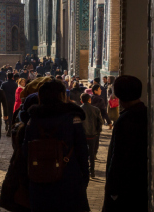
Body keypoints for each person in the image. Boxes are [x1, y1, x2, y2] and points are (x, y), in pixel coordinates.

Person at [23, 79, 89, 212]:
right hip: (68, 176)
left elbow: (26, 150)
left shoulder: (33, 119)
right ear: (62, 95)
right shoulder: (73, 118)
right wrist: (84, 176)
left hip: (39, 177)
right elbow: (82, 150)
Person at [102, 75, 147, 212]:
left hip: (124, 187)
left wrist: (112, 188)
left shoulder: (126, 119)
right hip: (141, 183)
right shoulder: (146, 113)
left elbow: (119, 157)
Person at [80, 93, 103, 178]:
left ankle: (84, 171)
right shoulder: (96, 109)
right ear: (89, 100)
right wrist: (98, 131)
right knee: (92, 153)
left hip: (83, 135)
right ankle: (92, 171)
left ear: (81, 100)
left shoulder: (79, 110)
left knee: (83, 153)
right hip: (93, 135)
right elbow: (101, 121)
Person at [1, 72, 18, 136]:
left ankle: (6, 122)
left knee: (6, 113)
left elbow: (1, 91)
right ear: (12, 77)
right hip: (13, 100)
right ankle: (10, 127)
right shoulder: (15, 84)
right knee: (11, 113)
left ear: (7, 77)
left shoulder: (4, 84)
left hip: (5, 101)